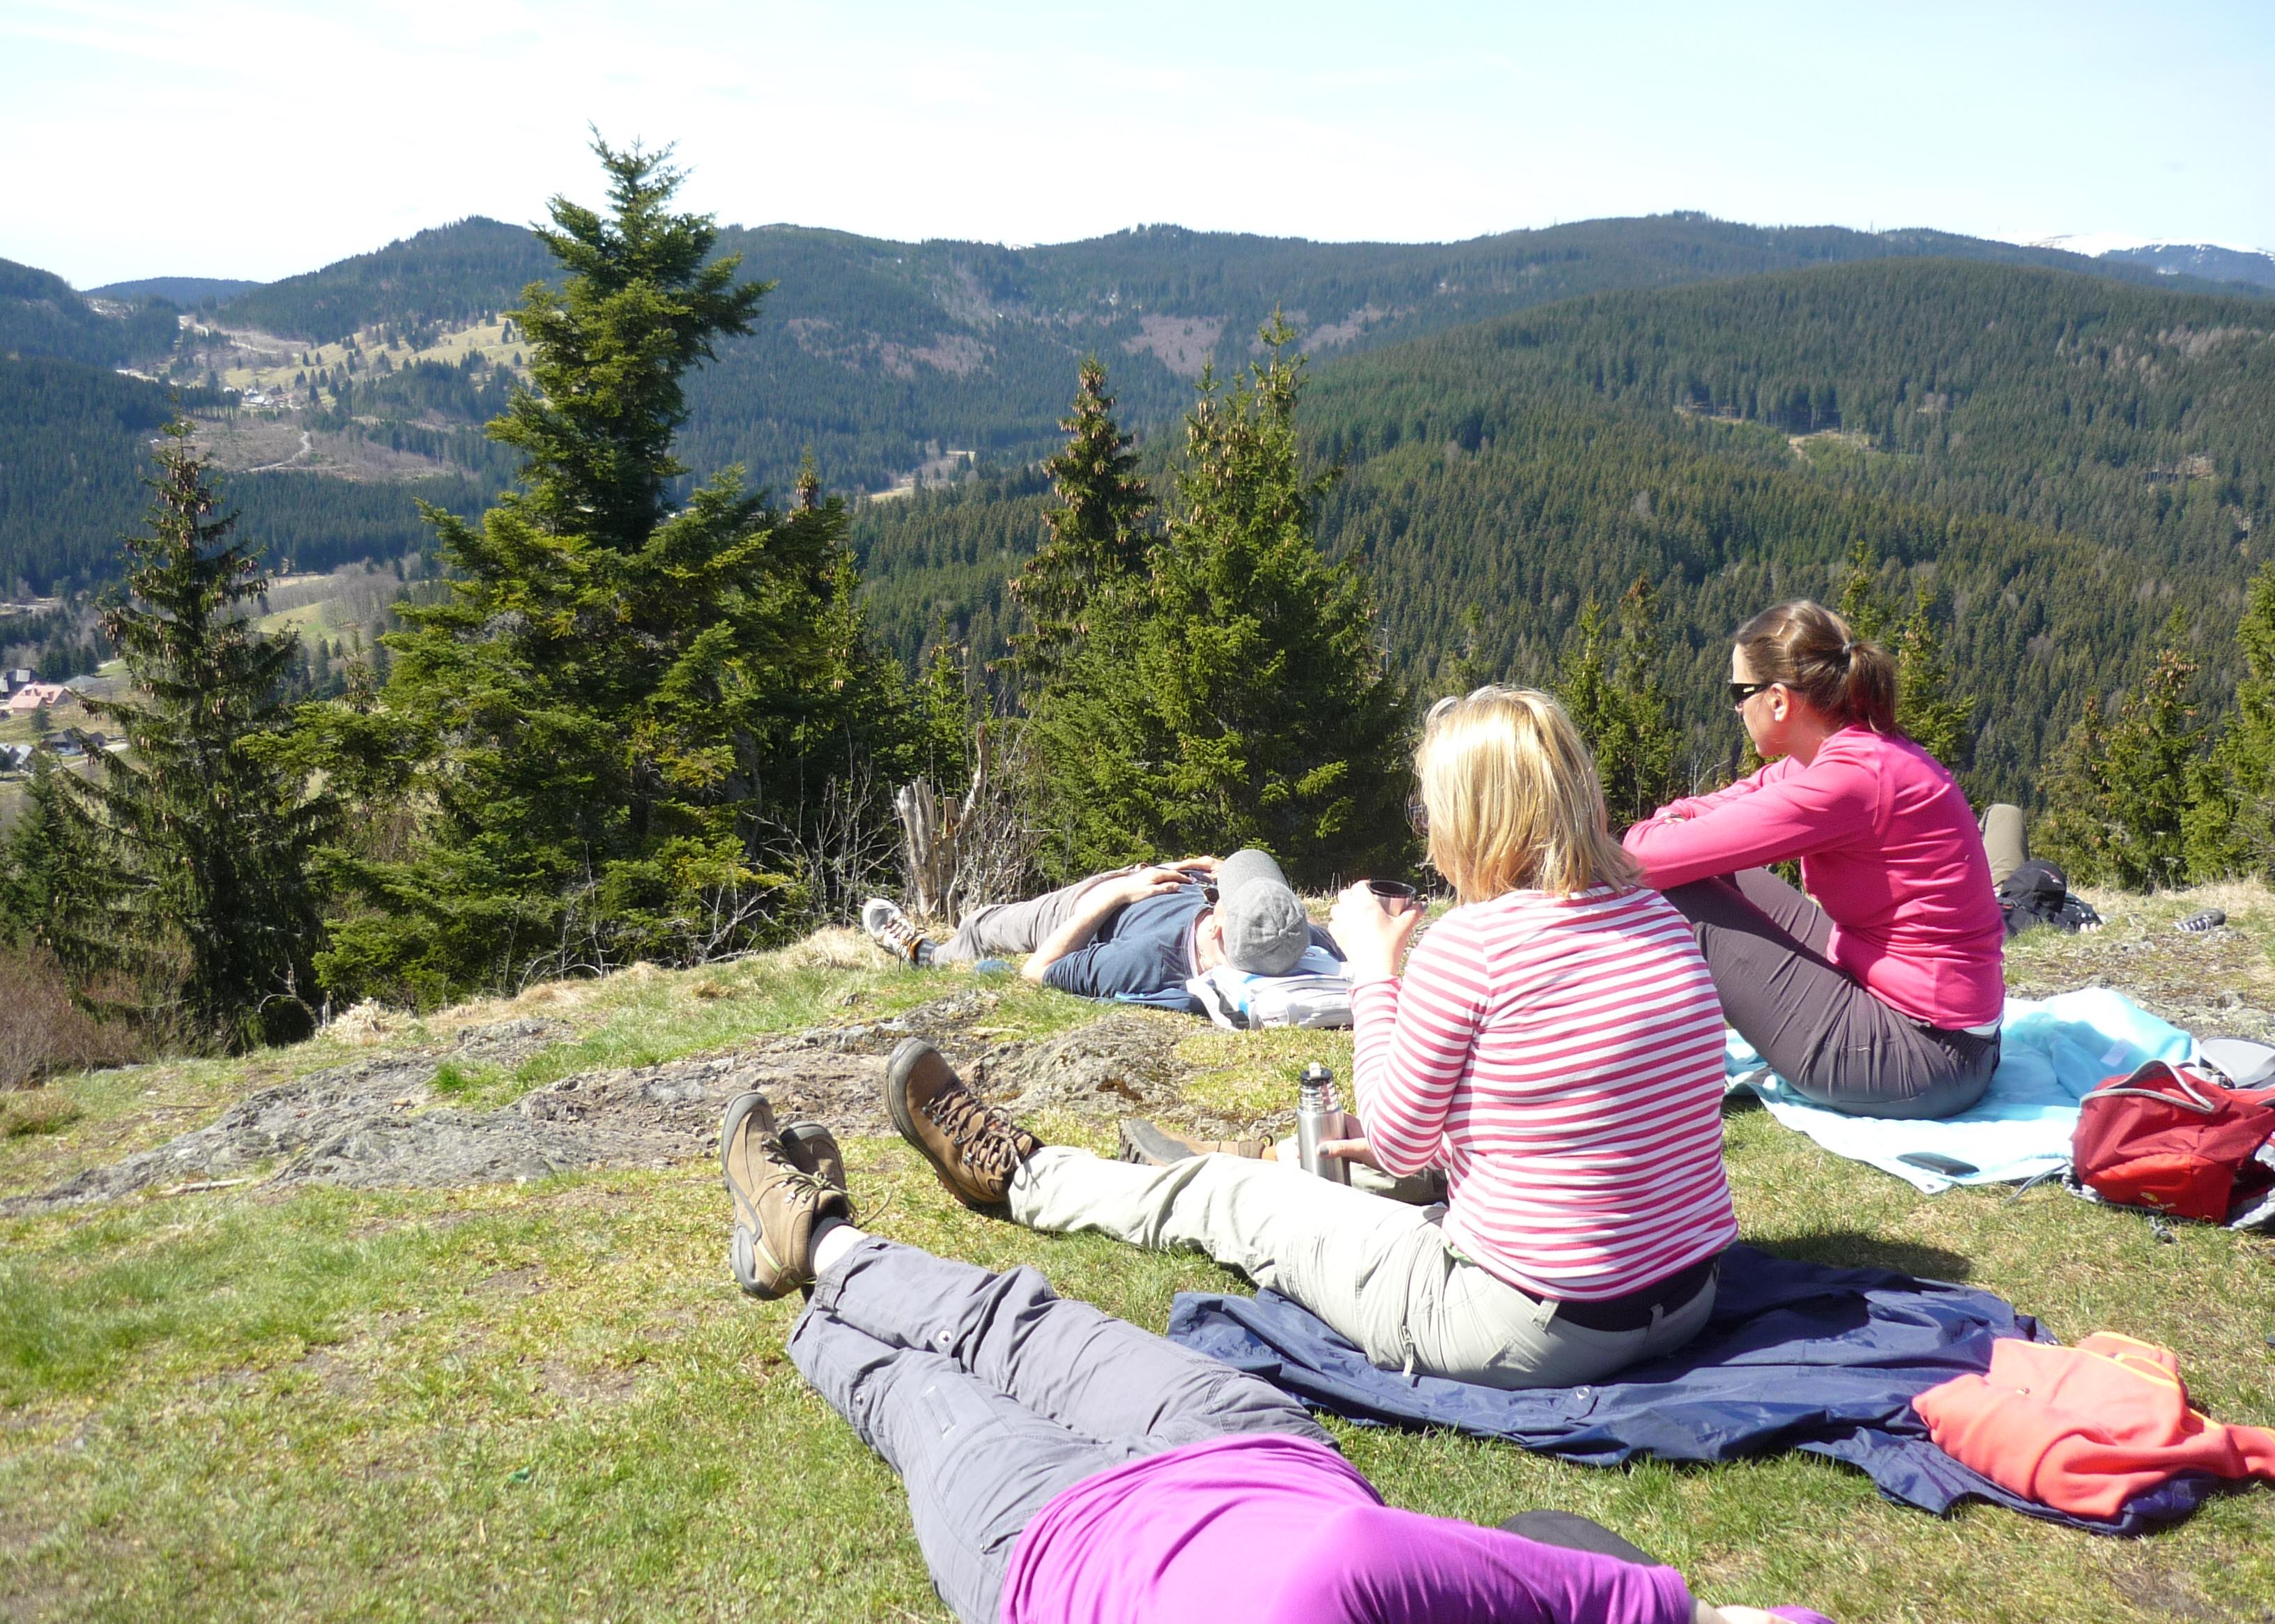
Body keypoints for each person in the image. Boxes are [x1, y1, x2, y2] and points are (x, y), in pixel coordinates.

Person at [881, 689, 1738, 1392]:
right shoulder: (1654, 918)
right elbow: (1553, 1110)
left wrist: (1375, 968)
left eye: (1428, 807)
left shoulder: (1474, 946)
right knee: (1346, 1161)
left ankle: (1022, 1174)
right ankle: (1232, 1159)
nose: (1425, 829)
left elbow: (1401, 1139)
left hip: (1532, 1326)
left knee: (1233, 1207)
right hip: (1684, 1292)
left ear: (1479, 819)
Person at [720, 1087, 1831, 1624]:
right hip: (1247, 1451)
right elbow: (1656, 1612)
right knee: (1012, 1325)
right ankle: (824, 1245)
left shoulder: (1344, 1580)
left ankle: (813, 1250)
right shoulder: (1368, 1573)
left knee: (923, 1390)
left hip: (1049, 1551)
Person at [1623, 600, 2005, 1120]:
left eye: (1741, 693)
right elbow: (1708, 811)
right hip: (1937, 1029)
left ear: (1778, 701)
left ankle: (1615, 1065)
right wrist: (1674, 819)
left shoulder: (1848, 779)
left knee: (1678, 890)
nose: (1737, 708)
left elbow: (1643, 859)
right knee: (1709, 869)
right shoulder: (1840, 756)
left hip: (1928, 1056)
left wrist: (1661, 829)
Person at [861, 848, 1340, 1003]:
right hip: (1159, 883)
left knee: (981, 929)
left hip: (1085, 910)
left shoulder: (1142, 962)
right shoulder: (1291, 940)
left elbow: (1039, 971)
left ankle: (923, 953)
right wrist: (1203, 870)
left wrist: (1114, 895)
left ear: (1218, 927)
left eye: (1222, 898)